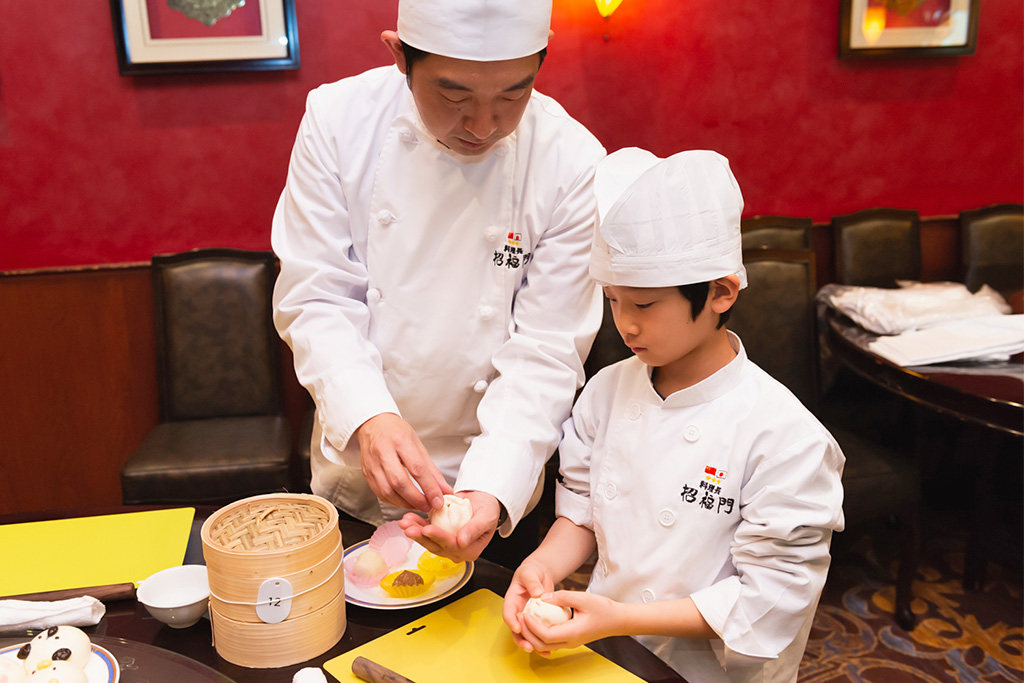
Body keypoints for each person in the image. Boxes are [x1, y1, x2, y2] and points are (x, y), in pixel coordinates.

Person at [271, 0, 606, 564]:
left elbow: (548, 350)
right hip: (359, 468)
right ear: (400, 55)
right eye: (454, 96)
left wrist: (492, 487)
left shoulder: (571, 161)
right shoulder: (336, 121)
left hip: (498, 482)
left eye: (512, 95)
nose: (483, 125)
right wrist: (369, 417)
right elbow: (316, 295)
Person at [502, 148, 846, 681]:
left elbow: (768, 598)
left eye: (644, 306)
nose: (625, 326)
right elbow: (582, 511)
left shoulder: (787, 436)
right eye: (614, 301)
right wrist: (543, 565)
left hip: (712, 668)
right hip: (608, 649)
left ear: (720, 293)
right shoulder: (605, 391)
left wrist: (619, 617)